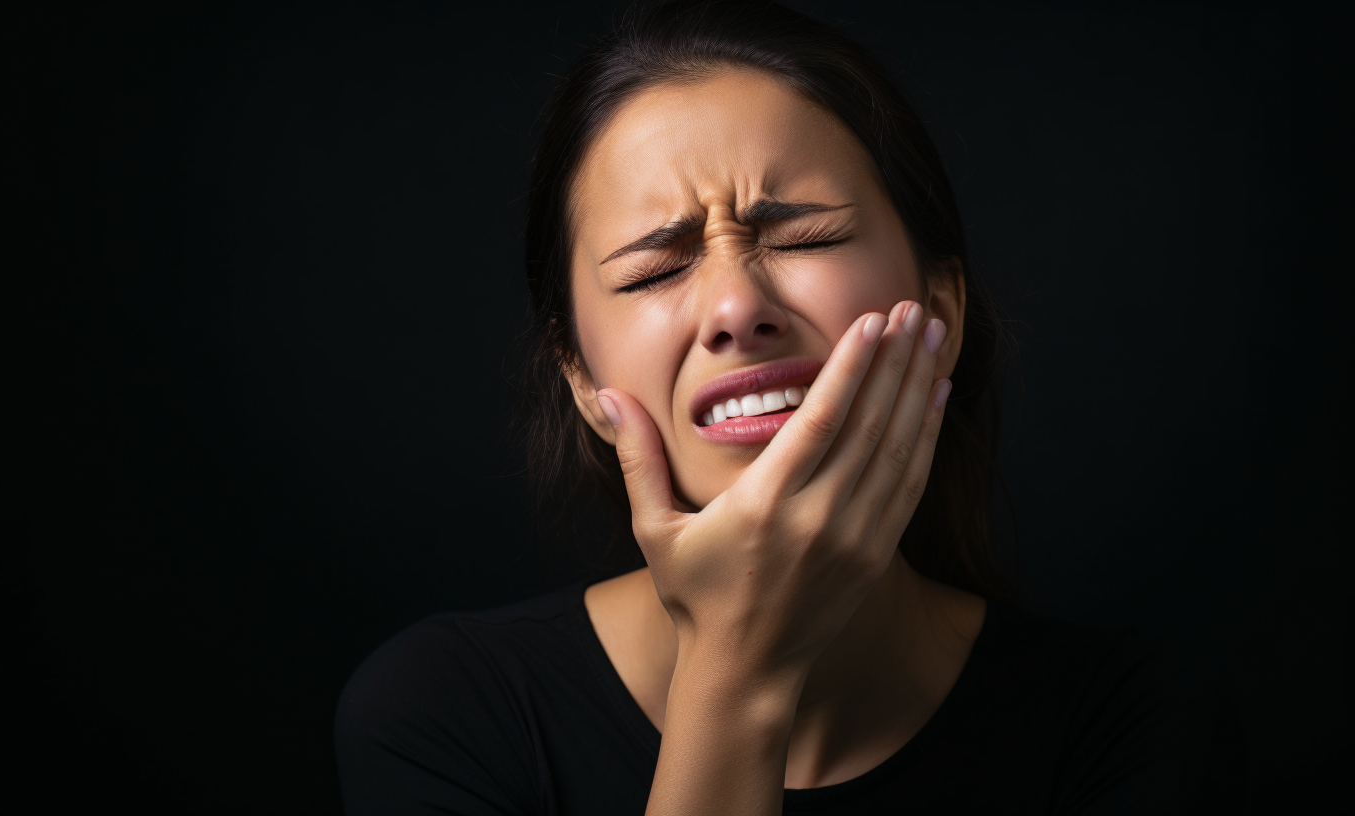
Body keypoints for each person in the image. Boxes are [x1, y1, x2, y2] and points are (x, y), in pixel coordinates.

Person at [335, 1, 1244, 812]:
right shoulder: (440, 717)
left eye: (806, 234)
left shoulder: (1130, 724)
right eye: (656, 269)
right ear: (581, 378)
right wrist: (740, 668)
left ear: (942, 312)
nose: (736, 309)